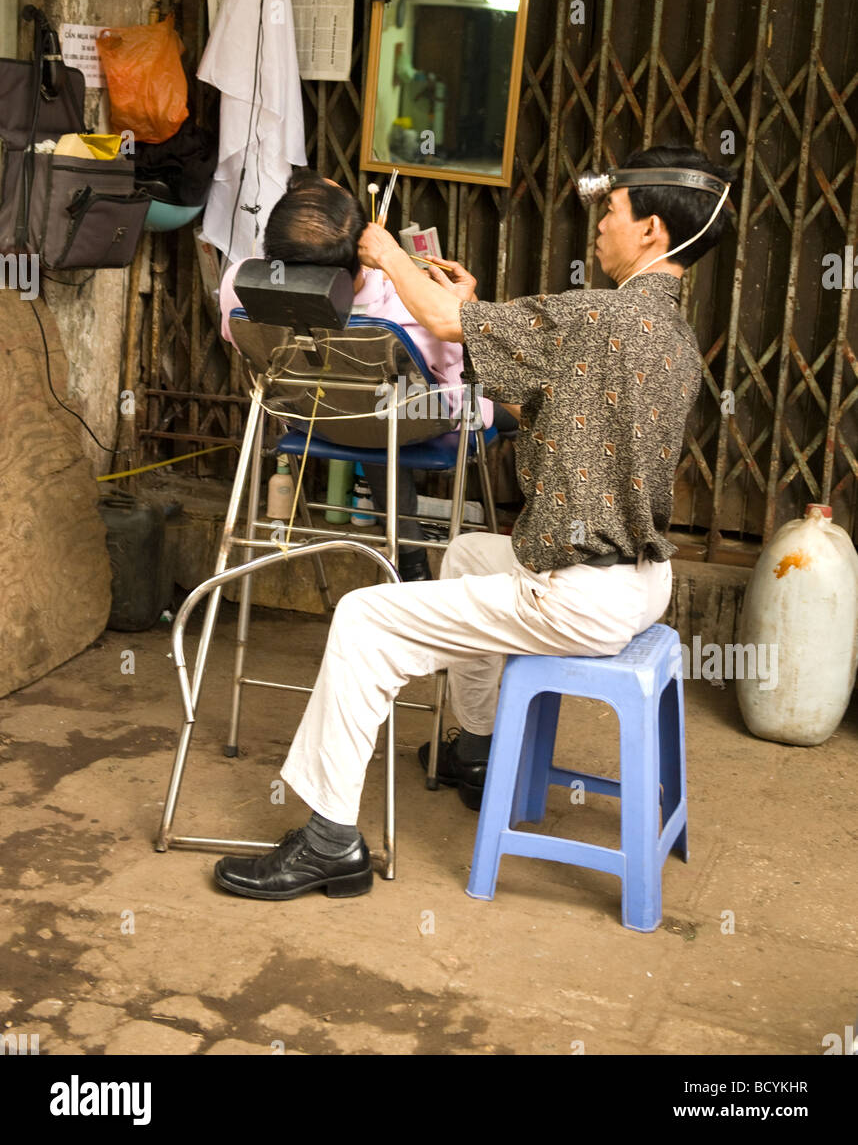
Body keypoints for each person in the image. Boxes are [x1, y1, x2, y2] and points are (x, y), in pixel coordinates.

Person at [213, 143, 734, 904]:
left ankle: (330, 843)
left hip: (579, 596)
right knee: (466, 553)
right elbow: (548, 411)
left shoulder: (599, 314)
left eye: (612, 211)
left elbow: (439, 320)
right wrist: (476, 312)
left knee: (364, 620)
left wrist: (389, 254)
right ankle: (478, 752)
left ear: (652, 231)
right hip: (641, 583)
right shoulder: (668, 334)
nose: (600, 225)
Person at [218, 169, 498, 582]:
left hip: (310, 418)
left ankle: (411, 560)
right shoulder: (407, 309)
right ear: (360, 253)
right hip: (411, 425)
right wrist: (463, 304)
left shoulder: (238, 287)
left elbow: (236, 337)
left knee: (375, 410)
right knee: (502, 405)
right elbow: (463, 387)